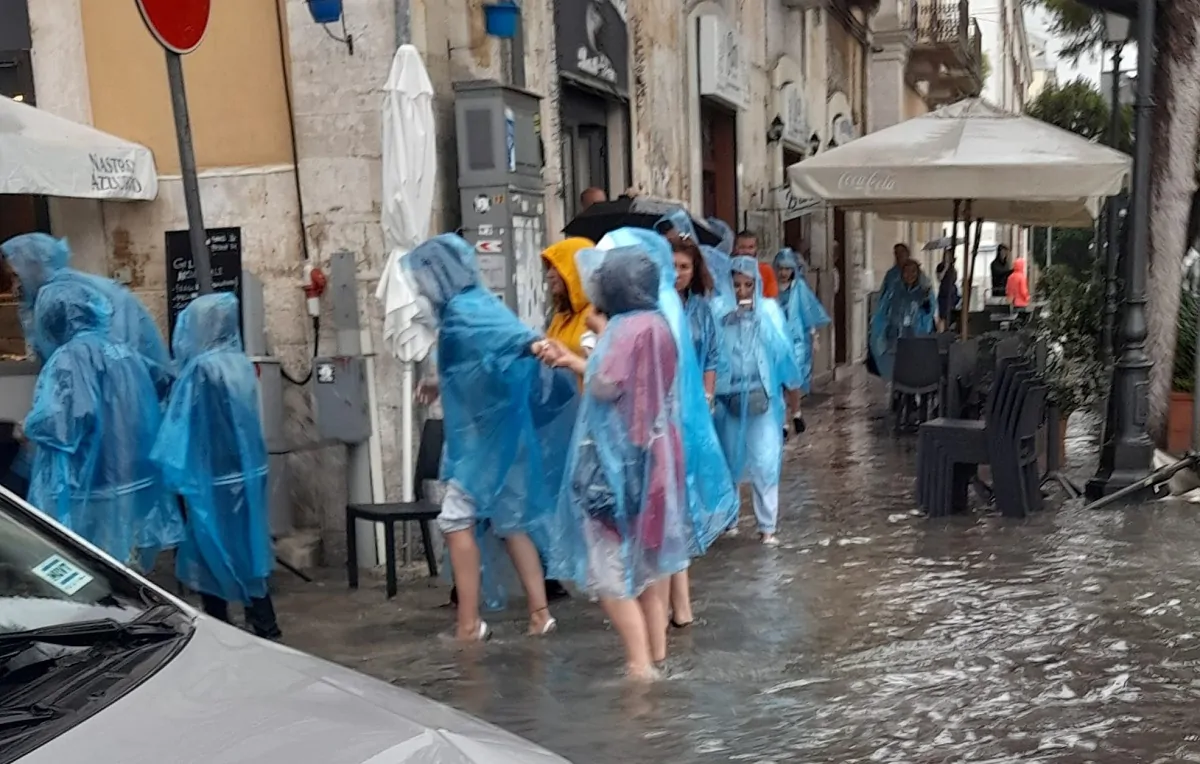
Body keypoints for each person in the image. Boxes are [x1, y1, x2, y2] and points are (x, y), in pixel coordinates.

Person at [406, 234, 578, 642]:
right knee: (511, 521)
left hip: (489, 439)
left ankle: (469, 622)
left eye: (426, 275)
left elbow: (512, 339)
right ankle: (539, 614)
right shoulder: (467, 308)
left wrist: (540, 347)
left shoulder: (466, 311)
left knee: (454, 519)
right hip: (498, 435)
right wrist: (438, 384)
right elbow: (476, 364)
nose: (421, 286)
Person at [548, 245, 691, 680]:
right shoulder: (660, 324)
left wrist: (576, 359)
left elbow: (607, 386)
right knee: (648, 567)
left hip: (616, 461)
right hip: (658, 456)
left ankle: (639, 663)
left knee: (607, 572)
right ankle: (657, 654)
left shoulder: (625, 329)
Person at [23, 280, 182, 567]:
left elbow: (64, 424)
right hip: (135, 478)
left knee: (99, 570)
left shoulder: (70, 358)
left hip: (95, 484)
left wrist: (30, 425)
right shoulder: (122, 351)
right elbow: (162, 381)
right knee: (129, 565)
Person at [152, 293, 281, 640]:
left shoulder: (200, 370)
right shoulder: (238, 362)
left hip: (212, 478)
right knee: (249, 548)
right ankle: (265, 623)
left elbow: (181, 428)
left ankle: (220, 626)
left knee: (210, 551)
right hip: (246, 472)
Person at [714, 257, 802, 547]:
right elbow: (708, 351)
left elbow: (783, 350)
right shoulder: (717, 309)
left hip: (763, 397)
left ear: (758, 284)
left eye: (748, 285)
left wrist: (757, 320)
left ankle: (767, 526)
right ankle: (729, 519)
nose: (741, 291)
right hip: (726, 398)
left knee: (765, 460)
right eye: (736, 284)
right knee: (728, 460)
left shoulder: (770, 310)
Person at [1, 233, 171, 379]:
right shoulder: (71, 286)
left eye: (16, 276)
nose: (15, 286)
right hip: (133, 380)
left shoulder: (57, 294)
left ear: (32, 265)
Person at [774, 247, 831, 435]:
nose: (783, 273)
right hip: (776, 340)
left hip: (797, 340)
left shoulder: (799, 288)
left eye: (787, 268)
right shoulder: (770, 288)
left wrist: (814, 336)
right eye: (780, 268)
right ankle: (783, 422)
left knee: (793, 380)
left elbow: (808, 312)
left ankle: (796, 412)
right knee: (778, 381)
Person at [868, 259, 936, 382]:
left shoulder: (924, 291)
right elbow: (882, 312)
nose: (909, 275)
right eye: (906, 271)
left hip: (916, 340)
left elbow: (928, 314)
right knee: (896, 375)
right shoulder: (894, 290)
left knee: (914, 375)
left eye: (913, 271)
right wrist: (878, 335)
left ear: (918, 273)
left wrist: (925, 302)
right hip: (894, 340)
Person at [867, 243, 914, 377]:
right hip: (893, 324)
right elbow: (883, 297)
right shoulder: (891, 275)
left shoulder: (917, 274)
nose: (898, 257)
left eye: (901, 253)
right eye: (896, 254)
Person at [936, 254, 960, 331]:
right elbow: (939, 278)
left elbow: (954, 279)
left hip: (952, 291)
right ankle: (942, 330)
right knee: (943, 314)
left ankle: (949, 327)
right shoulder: (941, 266)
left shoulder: (953, 268)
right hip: (944, 293)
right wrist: (946, 267)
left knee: (952, 312)